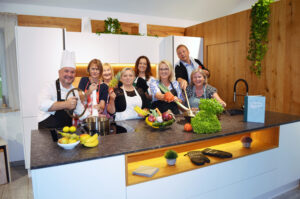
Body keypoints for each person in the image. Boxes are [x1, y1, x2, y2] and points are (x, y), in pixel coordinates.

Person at [38, 50, 88, 129]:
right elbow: (43, 104)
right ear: (59, 72)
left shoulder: (74, 91)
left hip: (66, 132)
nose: (69, 74)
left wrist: (94, 116)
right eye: (66, 71)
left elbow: (81, 111)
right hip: (47, 132)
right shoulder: (49, 86)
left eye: (72, 72)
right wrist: (66, 104)